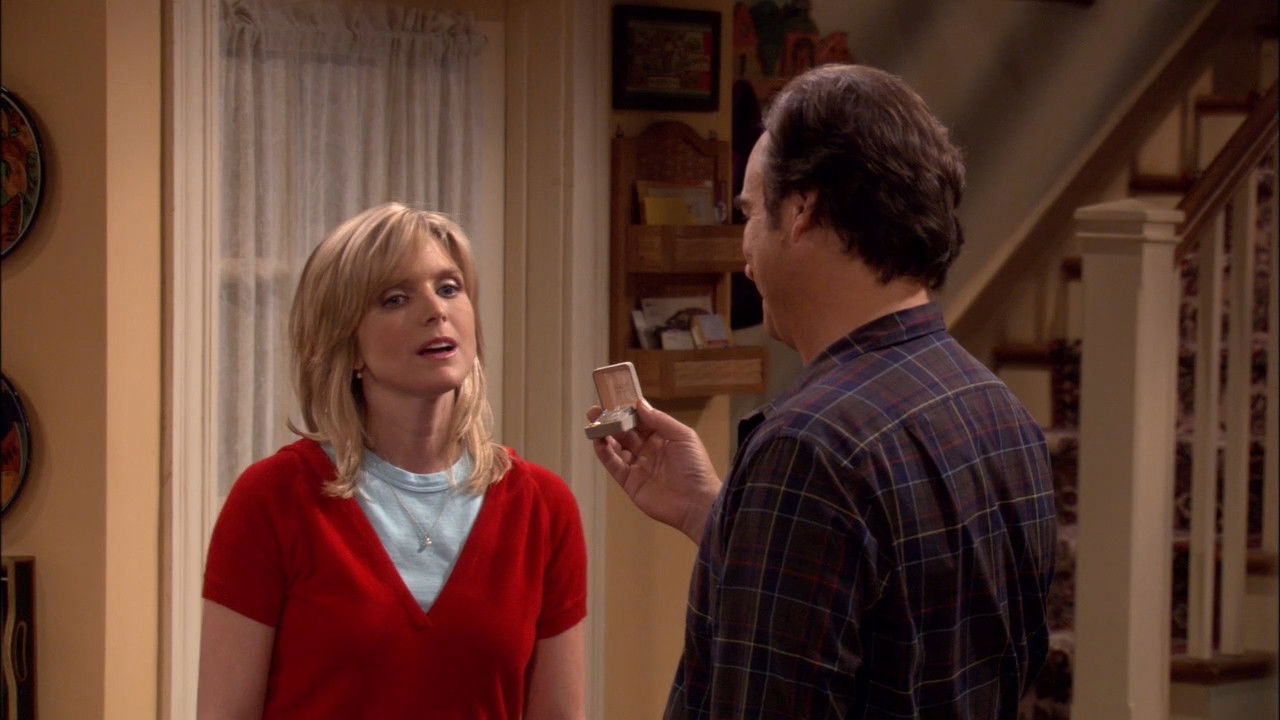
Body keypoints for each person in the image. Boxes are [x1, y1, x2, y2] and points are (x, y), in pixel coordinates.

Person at [590, 64, 1056, 719]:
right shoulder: (999, 411)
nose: (744, 249)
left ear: (801, 211)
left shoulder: (810, 448)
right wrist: (713, 515)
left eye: (751, 212)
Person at [199, 203, 587, 720]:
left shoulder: (541, 505)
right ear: (348, 345)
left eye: (449, 288)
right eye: (395, 299)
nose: (436, 310)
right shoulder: (275, 497)